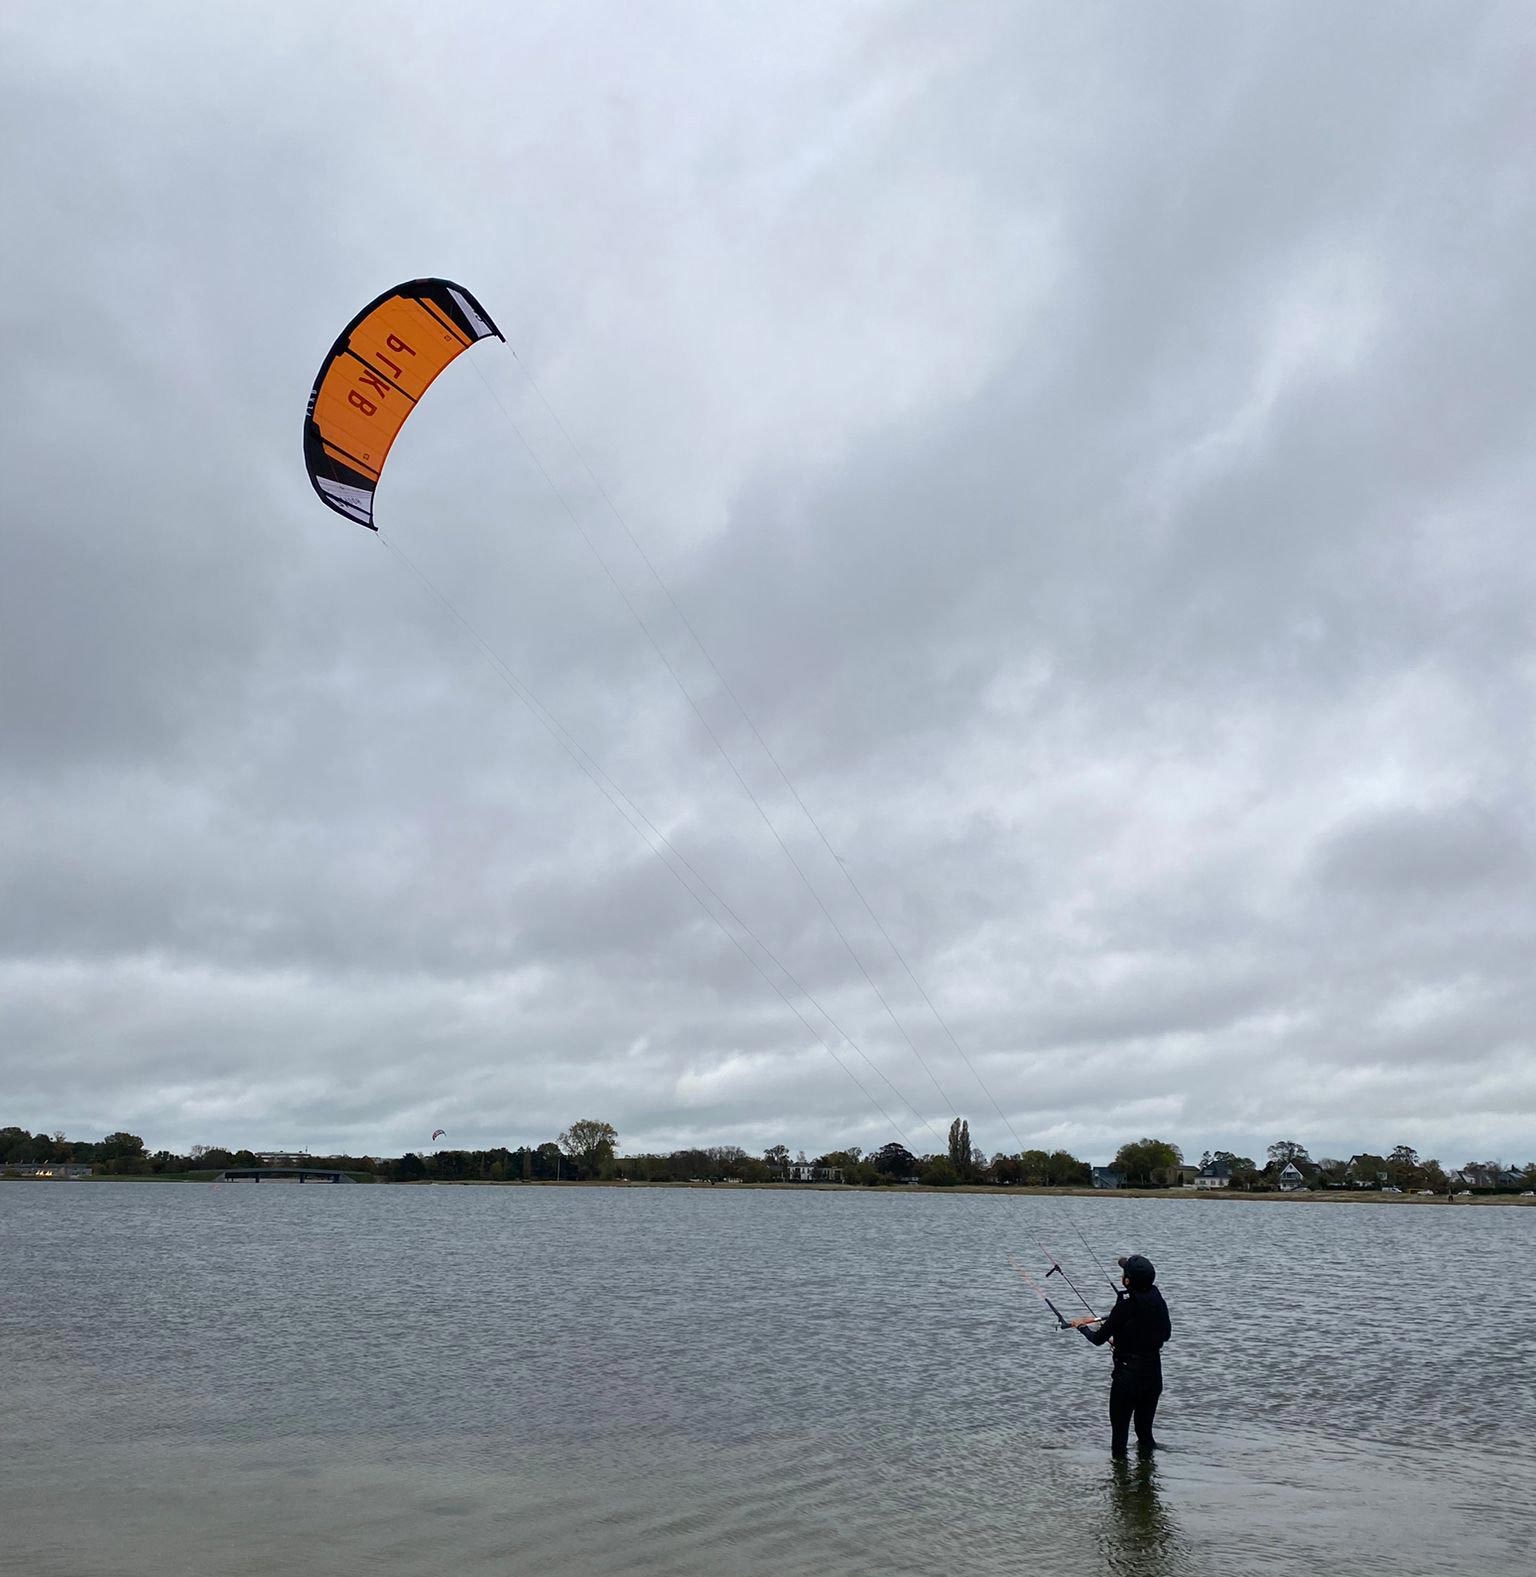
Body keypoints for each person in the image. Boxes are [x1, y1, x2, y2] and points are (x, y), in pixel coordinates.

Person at [1069, 1253, 1171, 1456]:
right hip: (1153, 1376)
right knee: (1145, 1434)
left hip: (1127, 1380)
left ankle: (1121, 1484)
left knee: (1119, 1438)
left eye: (1124, 1273)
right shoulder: (1158, 1300)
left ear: (1127, 1280)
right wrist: (1123, 1339)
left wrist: (1081, 1326)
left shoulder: (1125, 1306)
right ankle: (1147, 1481)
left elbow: (1098, 1339)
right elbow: (1164, 1335)